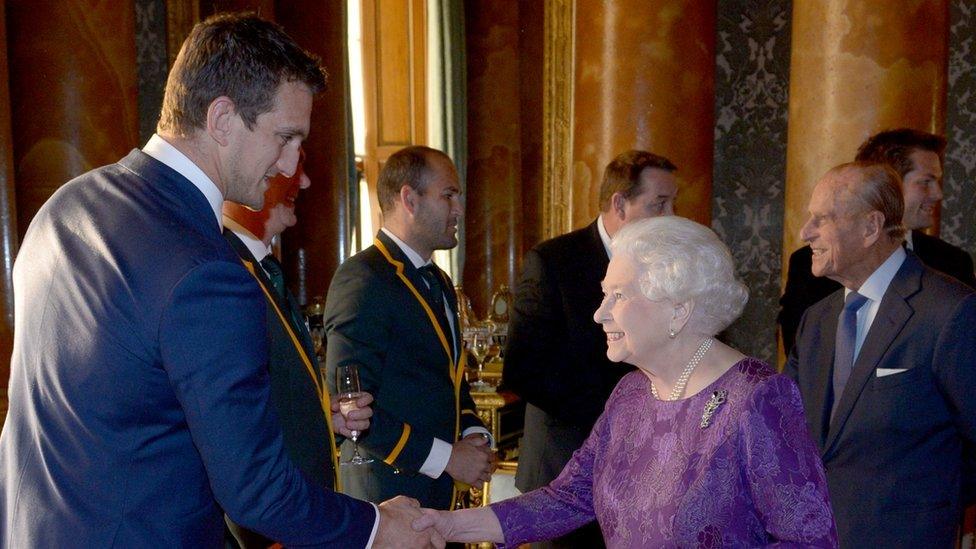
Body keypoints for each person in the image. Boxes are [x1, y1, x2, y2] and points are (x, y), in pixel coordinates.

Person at [0, 13, 436, 548]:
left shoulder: (63, 205)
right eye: (285, 137)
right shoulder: (207, 270)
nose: (290, 163)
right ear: (223, 118)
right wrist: (376, 527)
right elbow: (256, 491)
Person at [413, 216, 838, 547]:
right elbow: (566, 498)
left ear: (678, 309)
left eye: (619, 295)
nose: (600, 312)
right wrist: (448, 525)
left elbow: (810, 539)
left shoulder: (756, 398)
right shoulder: (632, 394)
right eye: (604, 294)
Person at [785, 162, 976, 547]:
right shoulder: (816, 322)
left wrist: (935, 507)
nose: (806, 233)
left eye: (821, 219)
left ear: (871, 227)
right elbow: (781, 427)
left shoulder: (949, 312)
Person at [502, 149, 677, 548]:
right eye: (659, 204)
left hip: (645, 469)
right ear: (620, 204)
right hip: (565, 467)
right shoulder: (554, 261)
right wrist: (616, 419)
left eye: (672, 204)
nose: (671, 217)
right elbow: (524, 367)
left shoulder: (666, 267)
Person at [324, 145, 492, 510]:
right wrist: (447, 457)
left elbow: (451, 378)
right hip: (387, 499)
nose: (459, 209)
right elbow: (352, 410)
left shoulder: (440, 281)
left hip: (437, 497)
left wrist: (472, 431)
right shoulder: (364, 278)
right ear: (409, 199)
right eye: (448, 195)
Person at [222, 150, 376, 547]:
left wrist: (323, 418)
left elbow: (267, 394)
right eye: (291, 163)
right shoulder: (224, 273)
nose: (304, 182)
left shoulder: (260, 267)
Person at [778, 128, 975, 354]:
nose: (938, 194)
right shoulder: (813, 265)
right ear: (889, 184)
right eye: (926, 182)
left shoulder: (952, 264)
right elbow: (804, 368)